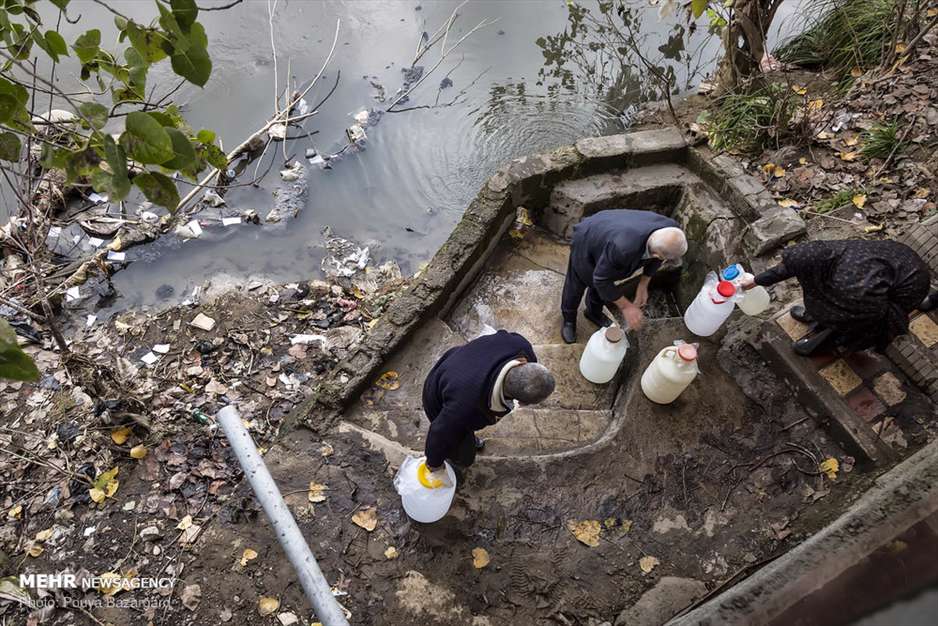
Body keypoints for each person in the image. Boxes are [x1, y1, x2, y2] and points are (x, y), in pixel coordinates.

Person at [740, 239, 932, 355]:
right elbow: (791, 266)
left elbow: (871, 312)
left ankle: (822, 343)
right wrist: (756, 281)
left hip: (906, 290)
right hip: (897, 264)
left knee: (847, 321)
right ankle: (817, 317)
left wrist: (833, 315)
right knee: (828, 304)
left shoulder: (850, 283)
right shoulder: (832, 252)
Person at [421, 330, 555, 485]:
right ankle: (459, 452)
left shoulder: (520, 345)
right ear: (522, 403)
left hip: (460, 363)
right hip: (438, 394)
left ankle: (467, 437)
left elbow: (502, 334)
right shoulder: (466, 406)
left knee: (462, 427)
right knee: (464, 455)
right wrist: (434, 463)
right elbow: (440, 431)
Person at [560, 209, 688, 344]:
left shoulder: (672, 231)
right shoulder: (623, 249)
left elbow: (658, 258)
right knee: (578, 282)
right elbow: (602, 280)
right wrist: (627, 307)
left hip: (616, 237)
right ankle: (569, 319)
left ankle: (593, 312)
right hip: (588, 239)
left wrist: (643, 284)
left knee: (603, 287)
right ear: (656, 254)